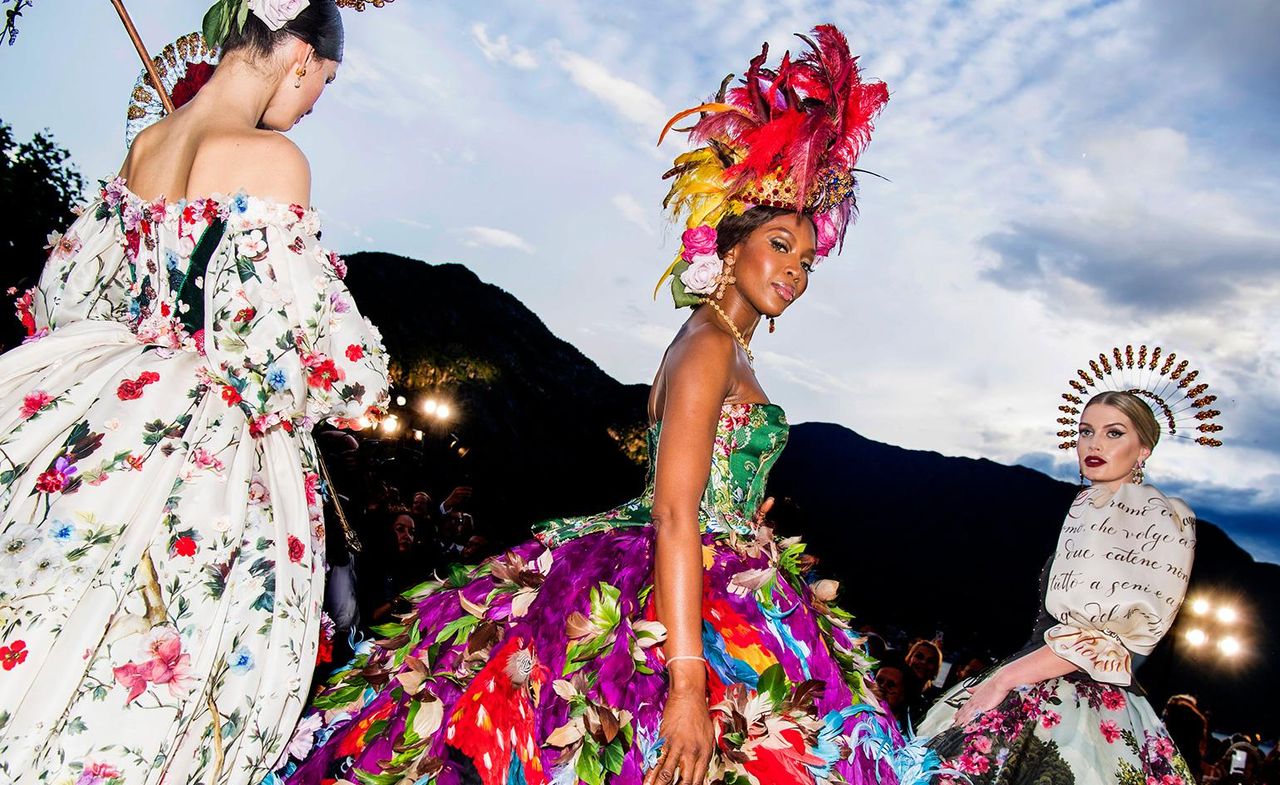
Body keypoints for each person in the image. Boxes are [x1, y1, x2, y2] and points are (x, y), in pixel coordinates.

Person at [271, 25, 898, 784]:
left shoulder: (726, 341)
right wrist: (689, 683)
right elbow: (674, 513)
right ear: (730, 246)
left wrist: (746, 510)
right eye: (778, 245)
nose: (795, 272)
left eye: (806, 259)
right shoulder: (706, 346)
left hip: (730, 571)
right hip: (682, 576)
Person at [0, 1, 389, 781]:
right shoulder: (271, 158)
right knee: (187, 660)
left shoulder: (150, 142)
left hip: (105, 413)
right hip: (204, 450)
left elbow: (68, 292)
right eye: (325, 83)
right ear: (299, 57)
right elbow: (295, 346)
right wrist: (358, 381)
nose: (314, 103)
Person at [911, 348, 1224, 785]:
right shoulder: (1091, 507)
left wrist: (1001, 682)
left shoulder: (1149, 513)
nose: (1094, 444)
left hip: (1074, 701)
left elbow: (1101, 637)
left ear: (1143, 449)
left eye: (1114, 433)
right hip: (1039, 677)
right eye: (1085, 431)